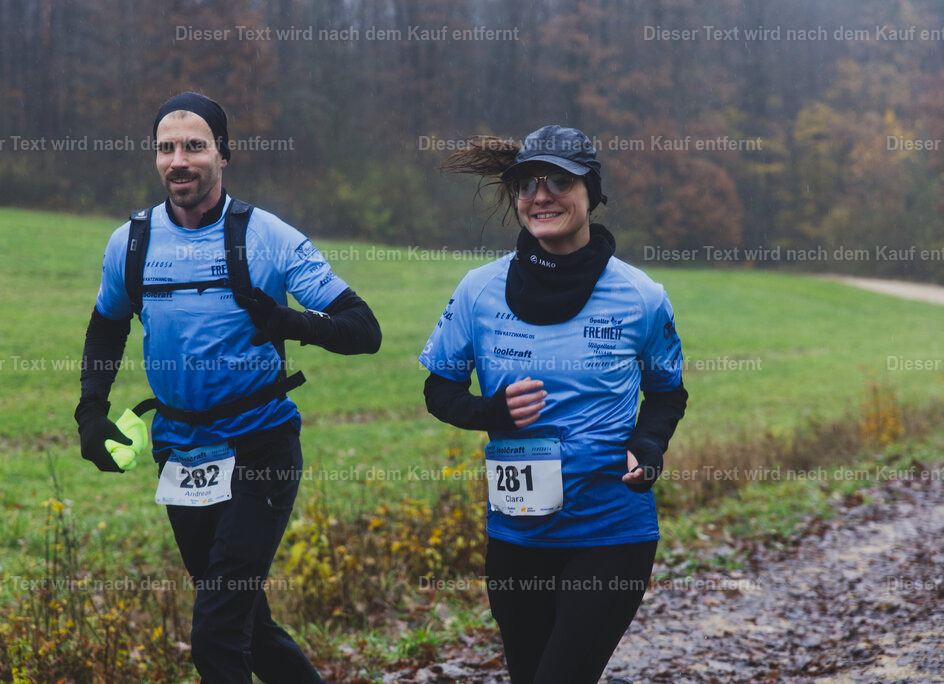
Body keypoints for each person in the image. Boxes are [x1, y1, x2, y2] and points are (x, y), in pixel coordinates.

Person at [75, 91, 380, 683]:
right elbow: (106, 327)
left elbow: (362, 329)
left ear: (223, 154)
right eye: (166, 148)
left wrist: (287, 321)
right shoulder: (131, 243)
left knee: (215, 632)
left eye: (194, 146)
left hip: (259, 450)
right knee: (249, 627)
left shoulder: (269, 238)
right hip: (180, 453)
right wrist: (91, 412)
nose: (178, 160)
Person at [419, 125, 687, 684]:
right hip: (516, 533)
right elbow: (439, 390)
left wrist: (648, 445)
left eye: (559, 181)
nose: (540, 196)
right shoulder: (478, 290)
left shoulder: (640, 296)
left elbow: (666, 393)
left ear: (591, 192)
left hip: (611, 531)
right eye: (526, 184)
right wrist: (489, 412)